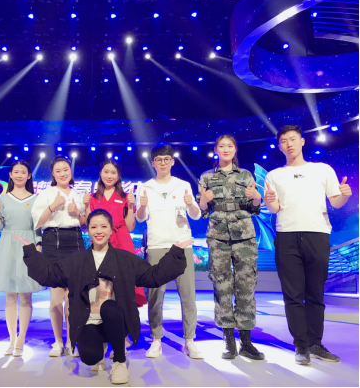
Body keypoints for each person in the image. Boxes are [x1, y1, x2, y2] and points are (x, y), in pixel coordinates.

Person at [14, 209, 190, 385]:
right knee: (89, 358)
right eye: (94, 227)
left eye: (104, 226)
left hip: (117, 320)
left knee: (109, 307)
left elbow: (153, 276)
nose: (99, 231)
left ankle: (119, 361)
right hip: (89, 321)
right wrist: (31, 253)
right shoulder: (76, 260)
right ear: (88, 230)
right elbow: (51, 275)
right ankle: (100, 346)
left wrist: (175, 253)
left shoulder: (125, 259)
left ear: (111, 229)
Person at [265, 125, 353, 366]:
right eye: (284, 141)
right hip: (287, 236)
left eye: (293, 139)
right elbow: (275, 208)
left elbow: (336, 202)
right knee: (292, 295)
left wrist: (345, 194)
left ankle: (316, 343)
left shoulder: (322, 169)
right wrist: (269, 201)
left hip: (317, 234)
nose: (289, 144)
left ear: (302, 141)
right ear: (280, 146)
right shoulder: (274, 175)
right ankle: (301, 346)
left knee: (315, 293)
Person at [197, 134, 264, 360]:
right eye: (221, 146)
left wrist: (257, 197)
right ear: (215, 149)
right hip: (218, 237)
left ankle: (246, 341)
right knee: (222, 287)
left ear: (235, 149)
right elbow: (203, 210)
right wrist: (204, 201)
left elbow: (254, 209)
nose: (226, 149)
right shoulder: (206, 177)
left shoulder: (246, 175)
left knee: (246, 286)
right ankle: (228, 341)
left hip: (244, 236)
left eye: (230, 146)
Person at [136, 144, 203, 360]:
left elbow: (196, 215)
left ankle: (190, 340)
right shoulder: (145, 187)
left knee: (188, 294)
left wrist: (191, 205)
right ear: (153, 163)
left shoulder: (183, 185)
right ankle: (156, 340)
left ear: (172, 161)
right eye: (159, 159)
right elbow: (139, 218)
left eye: (167, 159)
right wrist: (142, 206)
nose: (163, 162)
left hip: (181, 244)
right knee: (155, 295)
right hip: (156, 245)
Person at [31, 156, 86, 357]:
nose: (63, 173)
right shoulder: (46, 194)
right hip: (52, 241)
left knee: (72, 296)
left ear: (70, 171)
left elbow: (86, 225)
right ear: (53, 174)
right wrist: (53, 205)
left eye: (66, 169)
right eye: (58, 170)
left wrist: (78, 213)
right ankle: (58, 341)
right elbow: (37, 222)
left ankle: (72, 341)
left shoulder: (79, 195)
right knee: (56, 294)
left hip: (75, 241)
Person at [0, 160, 44, 357]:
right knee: (10, 296)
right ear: (10, 175)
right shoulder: (2, 199)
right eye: (16, 172)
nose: (20, 175)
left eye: (23, 172)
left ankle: (21, 339)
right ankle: (12, 339)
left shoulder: (37, 199)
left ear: (29, 176)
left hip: (27, 245)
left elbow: (38, 226)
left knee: (26, 295)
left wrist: (38, 245)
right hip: (8, 244)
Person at [83, 159, 147, 309]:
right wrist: (86, 206)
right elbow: (88, 225)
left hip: (122, 240)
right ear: (100, 173)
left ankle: (125, 319)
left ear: (118, 176)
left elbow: (130, 227)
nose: (109, 176)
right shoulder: (92, 197)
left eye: (113, 172)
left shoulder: (125, 197)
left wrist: (130, 206)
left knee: (125, 280)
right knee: (102, 282)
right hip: (101, 242)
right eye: (106, 172)